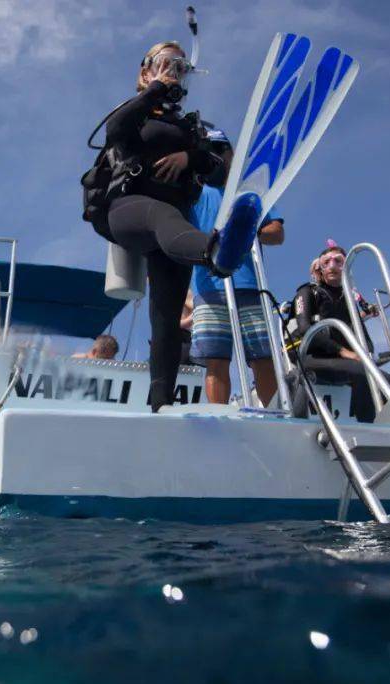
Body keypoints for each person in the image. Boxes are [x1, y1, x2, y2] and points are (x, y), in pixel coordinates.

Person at [102, 41, 263, 412]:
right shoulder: (137, 111)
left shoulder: (189, 127)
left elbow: (222, 171)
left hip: (175, 232)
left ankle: (161, 405)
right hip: (130, 209)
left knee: (167, 316)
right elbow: (115, 129)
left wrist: (189, 156)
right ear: (145, 71)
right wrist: (155, 88)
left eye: (180, 65)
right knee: (163, 216)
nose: (173, 70)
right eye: (164, 63)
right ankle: (216, 252)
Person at [188, 129, 284, 406]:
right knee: (215, 360)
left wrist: (244, 230)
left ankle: (274, 417)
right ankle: (220, 419)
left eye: (220, 149)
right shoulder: (193, 194)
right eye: (209, 150)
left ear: (231, 154)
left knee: (262, 357)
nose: (215, 156)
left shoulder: (251, 192)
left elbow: (276, 232)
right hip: (208, 286)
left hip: (249, 285)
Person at [291, 244, 386, 422]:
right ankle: (366, 428)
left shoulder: (348, 299)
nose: (333, 266)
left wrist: (366, 353)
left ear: (346, 267)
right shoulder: (306, 292)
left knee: (388, 379)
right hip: (309, 356)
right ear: (319, 268)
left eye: (338, 261)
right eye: (326, 262)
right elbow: (304, 328)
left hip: (342, 362)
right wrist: (344, 351)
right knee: (362, 371)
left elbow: (362, 335)